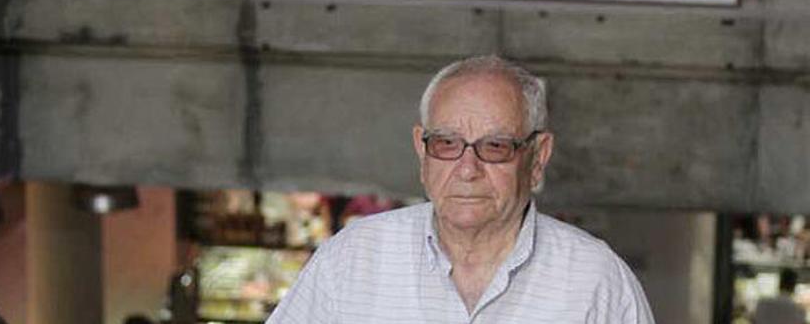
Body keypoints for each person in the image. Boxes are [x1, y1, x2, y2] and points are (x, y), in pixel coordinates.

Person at [267, 55, 655, 323]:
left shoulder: (595, 281)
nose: (467, 169)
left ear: (537, 158)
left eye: (495, 146)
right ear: (422, 151)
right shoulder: (352, 260)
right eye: (447, 144)